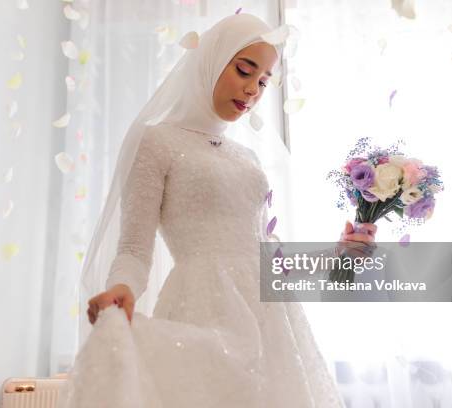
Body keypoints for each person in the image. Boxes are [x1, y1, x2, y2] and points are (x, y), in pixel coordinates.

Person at [57, 13, 376, 408]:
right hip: (202, 310)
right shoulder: (157, 142)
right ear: (211, 59)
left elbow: (266, 253)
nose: (253, 90)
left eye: (262, 81)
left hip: (273, 320)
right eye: (244, 70)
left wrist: (340, 258)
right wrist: (122, 287)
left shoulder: (248, 158)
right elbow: (135, 249)